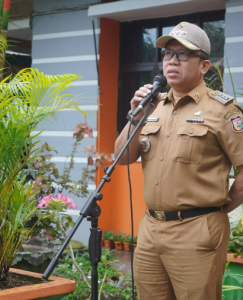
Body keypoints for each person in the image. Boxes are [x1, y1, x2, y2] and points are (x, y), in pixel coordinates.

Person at [114, 22, 243, 300]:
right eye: (168, 54)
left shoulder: (223, 110)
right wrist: (136, 115)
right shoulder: (153, 105)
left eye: (183, 54)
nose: (172, 60)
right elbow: (122, 158)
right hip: (151, 229)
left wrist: (218, 208)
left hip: (197, 231)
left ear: (204, 66)